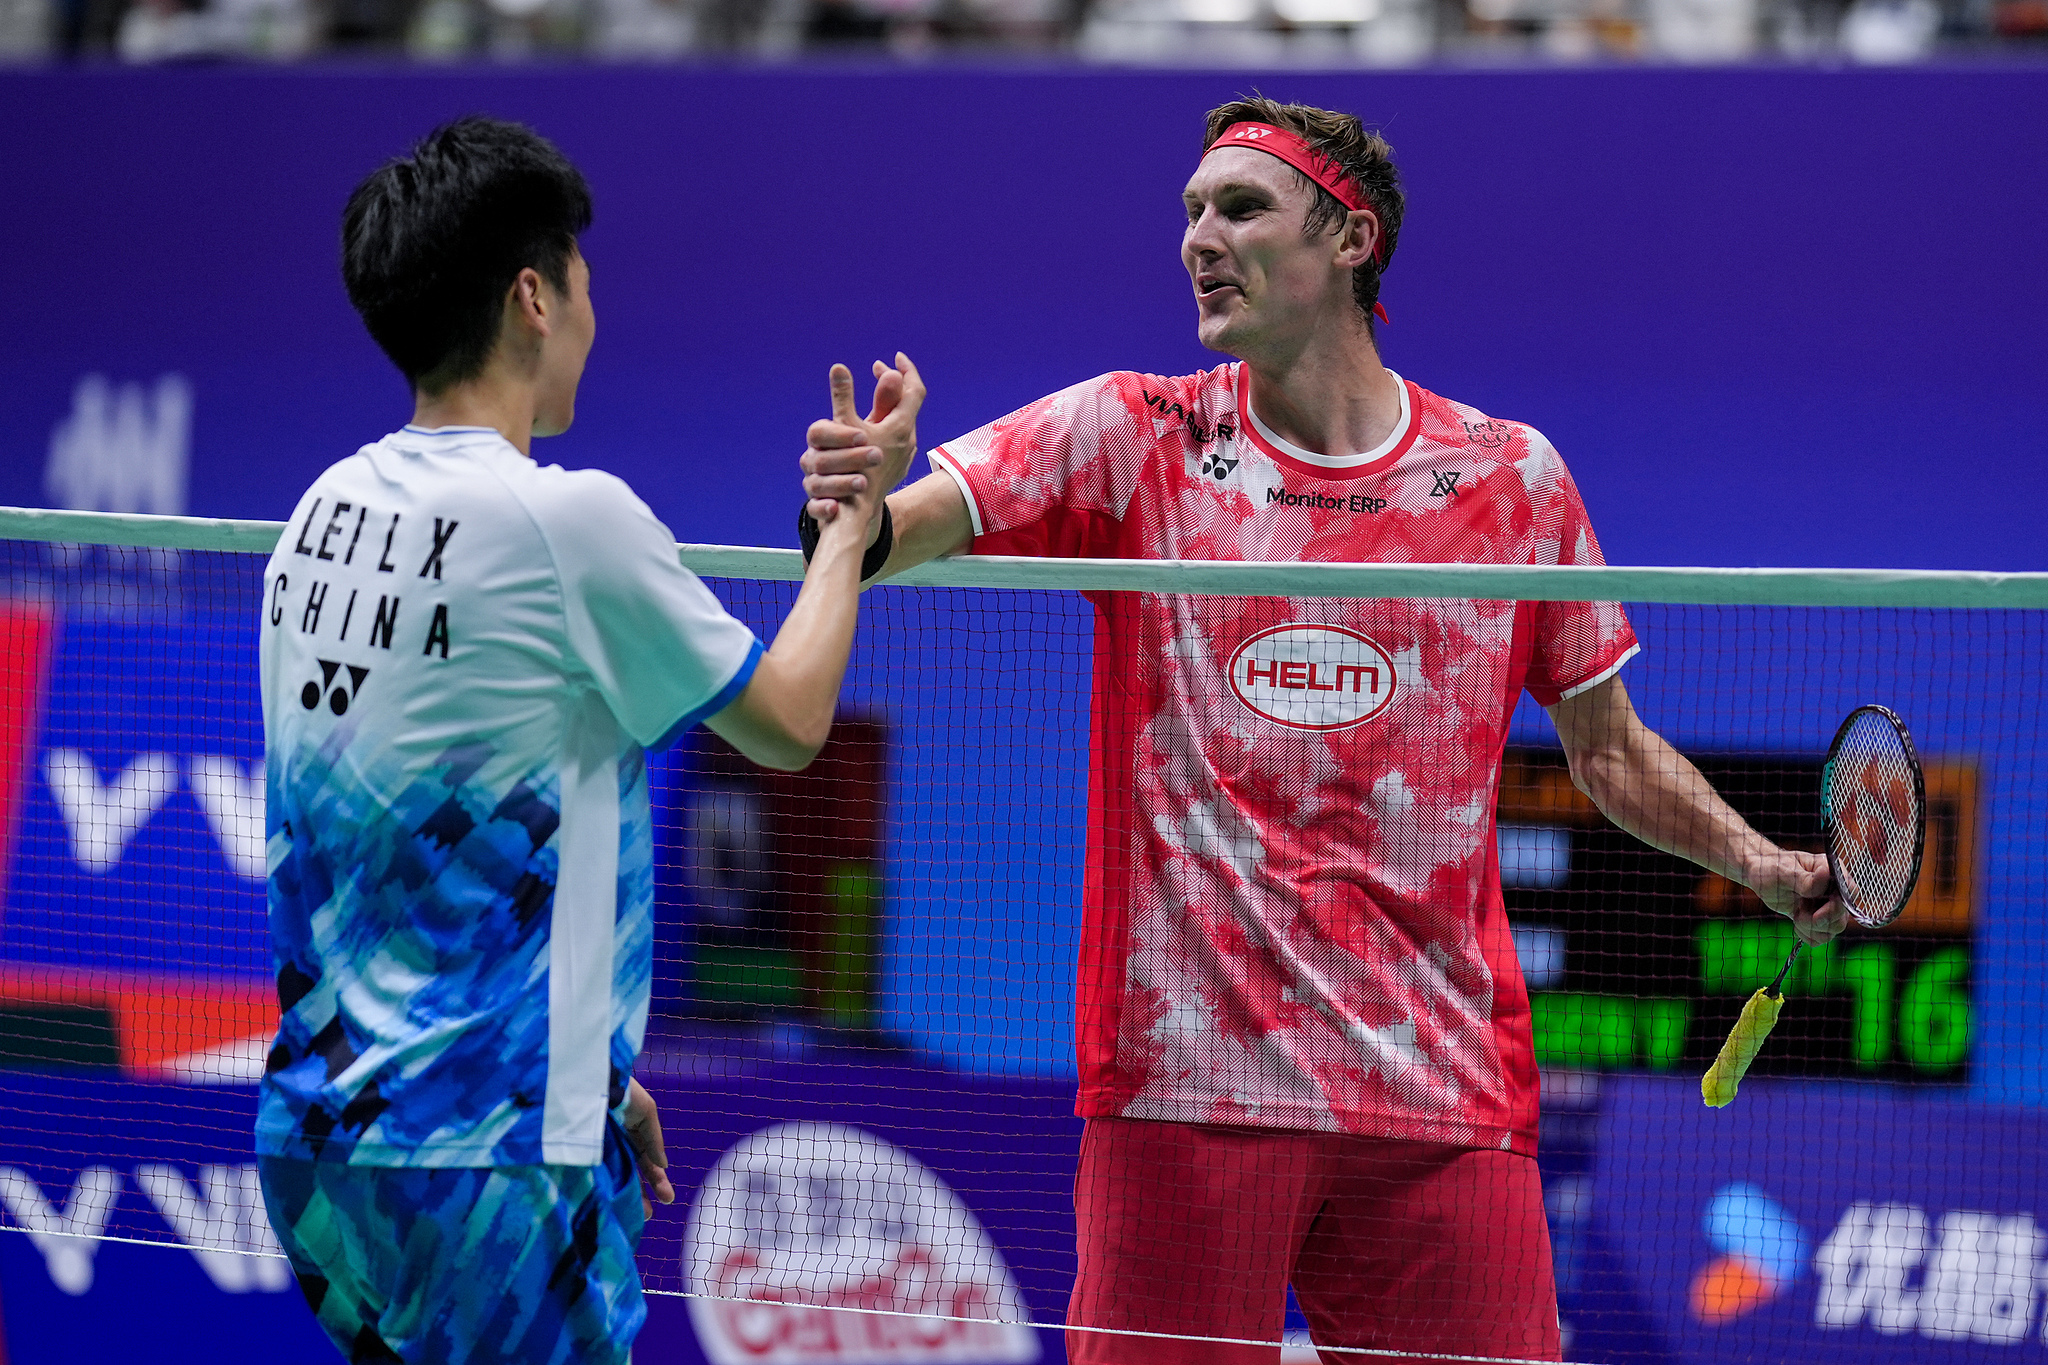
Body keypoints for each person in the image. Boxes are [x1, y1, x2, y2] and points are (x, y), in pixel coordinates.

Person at [800, 96, 1848, 1365]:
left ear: (1349, 238)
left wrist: (1770, 867)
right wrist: (854, 507)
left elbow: (1608, 745)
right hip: (1187, 1088)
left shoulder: (1507, 479)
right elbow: (886, 538)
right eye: (1188, 211)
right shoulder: (1136, 438)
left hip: (1438, 1095)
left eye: (1238, 208)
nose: (1198, 239)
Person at [255, 116, 909, 1365]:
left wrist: (589, 1072)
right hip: (487, 1162)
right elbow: (787, 724)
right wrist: (848, 531)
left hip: (324, 1145)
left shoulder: (316, 519)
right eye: (585, 286)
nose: (593, 321)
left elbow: (386, 857)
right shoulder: (570, 522)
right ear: (531, 298)